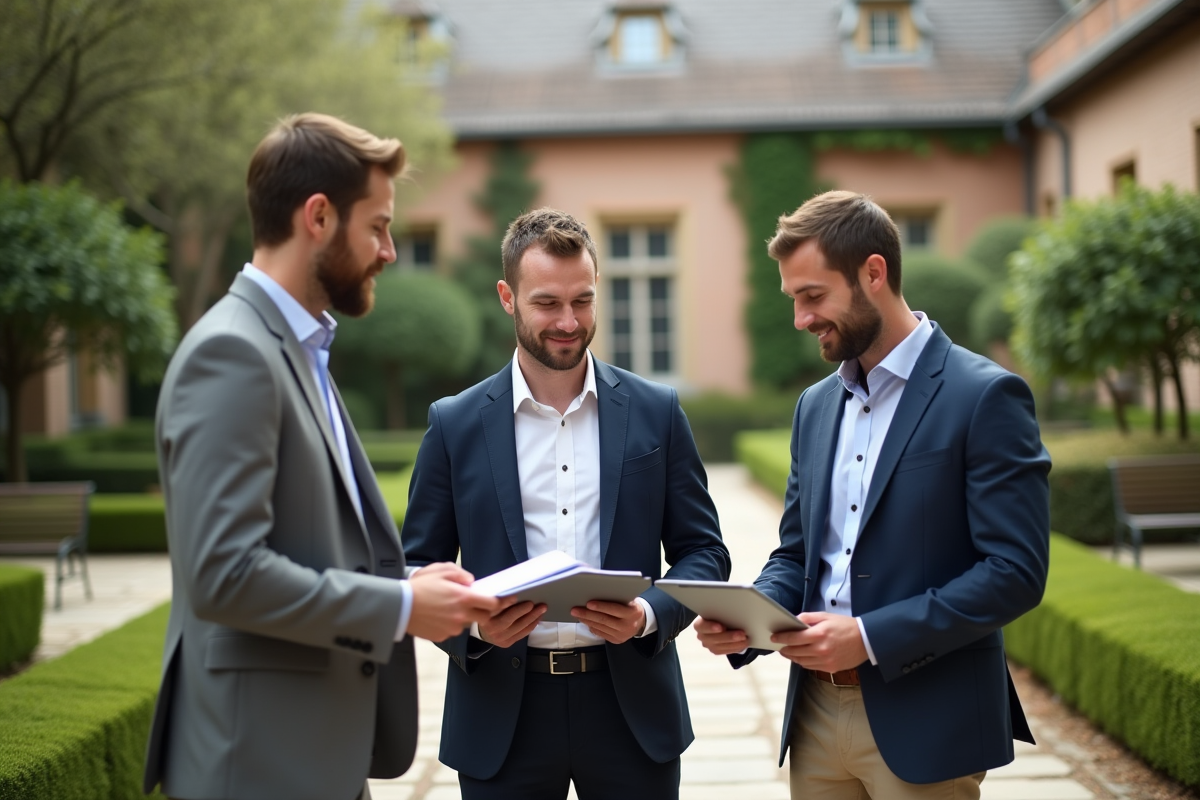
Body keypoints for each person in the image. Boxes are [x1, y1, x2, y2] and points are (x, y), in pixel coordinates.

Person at [142, 112, 502, 800]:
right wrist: (400, 607)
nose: (390, 251)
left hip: (314, 758)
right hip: (255, 764)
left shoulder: (298, 349)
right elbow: (223, 572)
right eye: (378, 226)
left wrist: (430, 590)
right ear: (318, 216)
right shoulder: (233, 354)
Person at [695, 191, 1051, 799]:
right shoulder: (815, 406)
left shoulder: (986, 397)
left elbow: (1015, 571)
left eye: (813, 296)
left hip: (929, 718)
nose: (801, 319)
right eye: (794, 300)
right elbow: (798, 553)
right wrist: (753, 616)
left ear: (874, 273)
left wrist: (867, 637)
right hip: (813, 717)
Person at [400, 207, 731, 799]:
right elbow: (412, 566)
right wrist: (473, 627)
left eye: (582, 301)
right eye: (547, 303)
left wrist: (648, 614)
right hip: (503, 713)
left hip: (631, 711)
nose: (568, 321)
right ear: (507, 296)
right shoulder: (453, 424)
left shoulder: (657, 411)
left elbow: (704, 551)